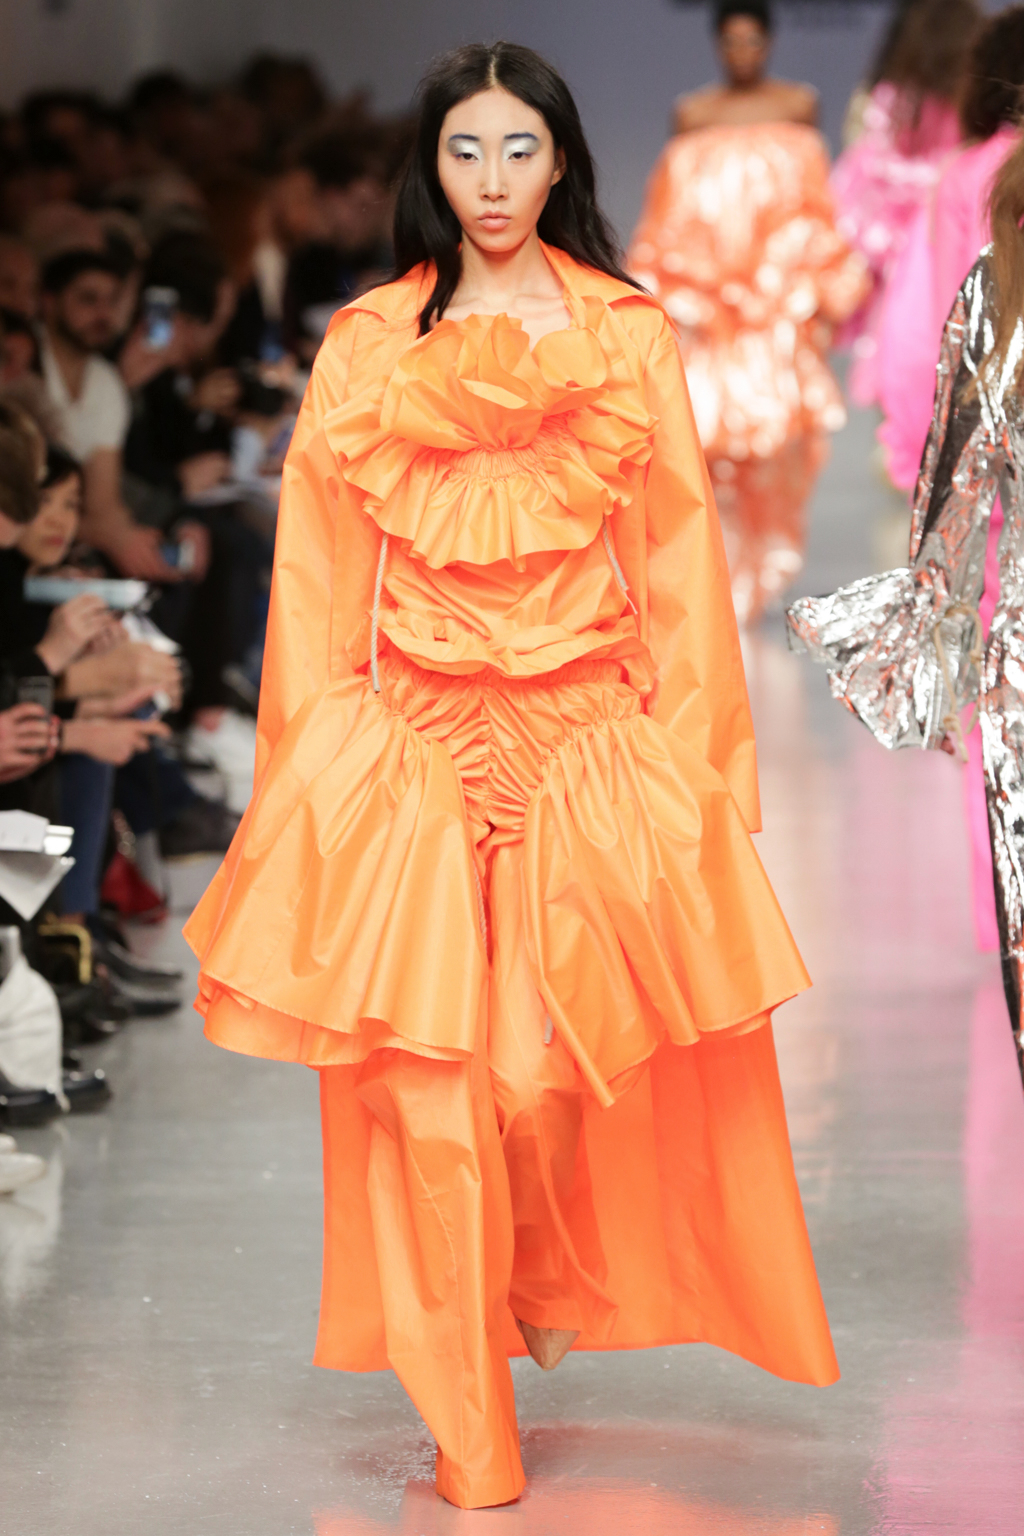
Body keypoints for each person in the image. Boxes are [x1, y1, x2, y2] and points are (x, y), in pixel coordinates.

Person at [184, 41, 837, 1511]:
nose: (491, 181)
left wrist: (707, 790)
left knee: (540, 1086)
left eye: (519, 150)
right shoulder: (370, 341)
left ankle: (532, 1284)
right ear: (430, 165)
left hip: (578, 745)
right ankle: (469, 1432)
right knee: (426, 1099)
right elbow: (315, 575)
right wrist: (296, 789)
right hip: (412, 748)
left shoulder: (622, 334)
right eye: (465, 150)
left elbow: (678, 560)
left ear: (561, 164)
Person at [789, 133, 1024, 1095]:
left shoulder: (1000, 282)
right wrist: (930, 650)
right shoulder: (1000, 286)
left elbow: (956, 488)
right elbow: (958, 481)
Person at [628, 0, 866, 624]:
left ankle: (764, 570)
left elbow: (813, 212)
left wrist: (813, 292)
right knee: (706, 442)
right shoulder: (693, 114)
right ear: (717, 45)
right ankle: (724, 579)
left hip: (775, 310)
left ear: (769, 42)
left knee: (779, 440)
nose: (742, 53)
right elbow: (669, 218)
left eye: (752, 41)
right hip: (709, 308)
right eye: (732, 42)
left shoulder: (798, 107)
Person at [830, 0, 977, 407]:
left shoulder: (889, 103)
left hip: (902, 272)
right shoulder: (974, 107)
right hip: (963, 255)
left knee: (904, 392)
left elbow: (860, 199)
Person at [38, 248, 201, 582]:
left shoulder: (103, 380)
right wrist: (117, 539)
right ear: (49, 303)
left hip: (70, 535)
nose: (103, 313)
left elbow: (103, 500)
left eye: (111, 301)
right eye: (88, 299)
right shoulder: (20, 364)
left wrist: (140, 540)